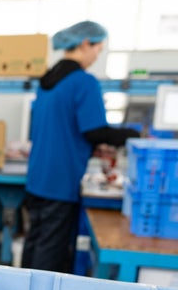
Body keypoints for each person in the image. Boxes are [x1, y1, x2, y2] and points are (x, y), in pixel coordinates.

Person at [21, 21, 140, 273]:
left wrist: (91, 147)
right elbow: (95, 131)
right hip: (61, 182)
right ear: (86, 44)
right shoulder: (83, 82)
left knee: (34, 246)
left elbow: (63, 129)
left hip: (37, 178)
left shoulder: (46, 81)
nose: (97, 56)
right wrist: (135, 133)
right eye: (98, 49)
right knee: (51, 255)